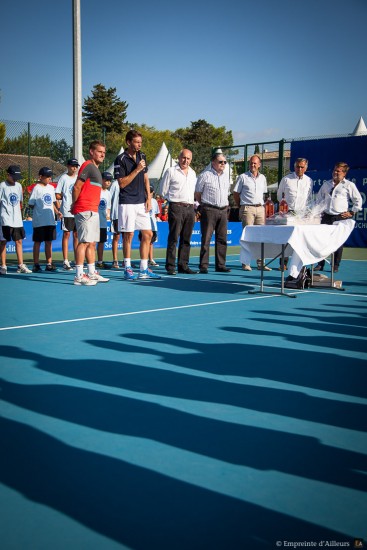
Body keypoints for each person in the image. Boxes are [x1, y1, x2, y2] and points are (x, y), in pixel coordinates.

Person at [114, 129, 161, 280]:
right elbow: (122, 183)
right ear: (128, 142)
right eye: (136, 142)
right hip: (127, 202)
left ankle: (144, 269)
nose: (139, 144)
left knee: (148, 234)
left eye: (141, 142)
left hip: (141, 202)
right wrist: (137, 169)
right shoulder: (120, 159)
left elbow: (146, 178)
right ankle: (127, 268)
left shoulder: (142, 156)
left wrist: (149, 198)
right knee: (128, 235)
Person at [70, 140, 109, 286]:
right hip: (84, 209)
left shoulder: (96, 169)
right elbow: (76, 187)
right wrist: (74, 205)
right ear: (92, 152)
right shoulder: (87, 165)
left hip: (93, 210)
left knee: (91, 243)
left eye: (104, 153)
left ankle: (91, 273)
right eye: (99, 152)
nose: (102, 155)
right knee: (84, 242)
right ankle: (79, 276)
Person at [313, 162, 362, 273]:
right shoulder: (326, 184)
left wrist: (352, 212)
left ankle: (335, 265)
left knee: (338, 242)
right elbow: (318, 200)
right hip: (325, 216)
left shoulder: (349, 185)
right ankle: (320, 264)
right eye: (334, 170)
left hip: (340, 217)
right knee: (322, 241)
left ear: (344, 173)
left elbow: (358, 201)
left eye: (338, 171)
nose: (335, 172)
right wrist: (317, 212)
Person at [159, 149, 197, 275]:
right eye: (183, 158)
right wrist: (169, 203)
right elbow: (162, 191)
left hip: (190, 208)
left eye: (188, 158)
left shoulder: (192, 173)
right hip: (176, 207)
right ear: (179, 157)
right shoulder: (171, 171)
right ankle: (170, 266)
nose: (185, 161)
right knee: (174, 238)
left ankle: (183, 265)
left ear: (191, 160)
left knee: (186, 239)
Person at [233, 154, 271, 272]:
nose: (253, 165)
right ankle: (246, 263)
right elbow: (235, 194)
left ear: (259, 165)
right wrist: (242, 206)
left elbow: (263, 194)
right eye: (251, 163)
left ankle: (261, 263)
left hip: (260, 209)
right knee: (247, 237)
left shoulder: (263, 178)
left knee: (261, 237)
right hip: (247, 208)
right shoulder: (242, 177)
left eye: (255, 163)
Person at [195, 152, 231, 274]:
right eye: (220, 162)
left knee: (222, 239)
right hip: (209, 209)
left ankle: (220, 265)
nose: (223, 164)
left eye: (224, 162)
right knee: (206, 238)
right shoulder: (205, 175)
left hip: (223, 210)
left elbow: (227, 193)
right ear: (213, 163)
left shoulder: (227, 176)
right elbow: (197, 193)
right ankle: (204, 266)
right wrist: (204, 205)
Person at [276, 157, 314, 270]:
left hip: (302, 214)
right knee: (286, 239)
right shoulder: (286, 179)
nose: (299, 169)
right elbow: (279, 195)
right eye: (298, 166)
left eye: (302, 167)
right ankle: (283, 263)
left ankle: (299, 264)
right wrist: (284, 207)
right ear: (294, 167)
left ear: (306, 168)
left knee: (300, 239)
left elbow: (309, 198)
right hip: (288, 213)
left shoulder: (309, 181)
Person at [28, 167, 61, 272]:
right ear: (40, 177)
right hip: (39, 221)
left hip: (50, 220)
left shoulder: (51, 188)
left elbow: (52, 203)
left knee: (49, 242)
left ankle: (49, 264)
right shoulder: (36, 188)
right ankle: (36, 264)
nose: (49, 178)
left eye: (50, 176)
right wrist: (40, 210)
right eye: (47, 176)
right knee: (37, 242)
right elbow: (31, 204)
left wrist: (57, 212)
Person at [0, 165, 32, 275]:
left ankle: (20, 265)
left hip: (17, 220)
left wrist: (19, 214)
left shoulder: (18, 186)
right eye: (14, 176)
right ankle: (3, 266)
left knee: (19, 241)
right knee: (3, 242)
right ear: (8, 175)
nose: (15, 179)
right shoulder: (2, 186)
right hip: (5, 219)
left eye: (17, 177)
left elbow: (20, 203)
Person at [55, 158, 80, 271]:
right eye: (72, 166)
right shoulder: (63, 178)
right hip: (66, 211)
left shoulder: (78, 178)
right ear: (68, 166)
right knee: (66, 235)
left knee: (76, 235)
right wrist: (65, 197)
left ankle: (77, 260)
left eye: (76, 166)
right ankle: (65, 261)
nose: (74, 168)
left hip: (77, 211)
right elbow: (57, 194)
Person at [138, 186, 159, 267]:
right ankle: (143, 259)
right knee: (143, 242)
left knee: (151, 243)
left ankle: (151, 259)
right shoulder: (141, 200)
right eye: (147, 191)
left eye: (150, 191)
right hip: (143, 225)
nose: (148, 193)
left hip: (152, 225)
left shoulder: (154, 201)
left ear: (153, 192)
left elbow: (156, 213)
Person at [96, 172, 112, 269]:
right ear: (101, 179)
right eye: (106, 180)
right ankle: (89, 262)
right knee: (91, 242)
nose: (108, 182)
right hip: (94, 221)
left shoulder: (108, 193)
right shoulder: (96, 190)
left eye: (109, 181)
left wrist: (108, 215)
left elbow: (108, 207)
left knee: (101, 242)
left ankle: (100, 261)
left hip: (102, 222)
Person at [109, 175, 123, 269]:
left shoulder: (130, 182)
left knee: (127, 237)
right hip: (117, 214)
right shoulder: (115, 184)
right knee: (116, 237)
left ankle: (126, 261)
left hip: (126, 214)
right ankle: (115, 260)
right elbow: (109, 198)